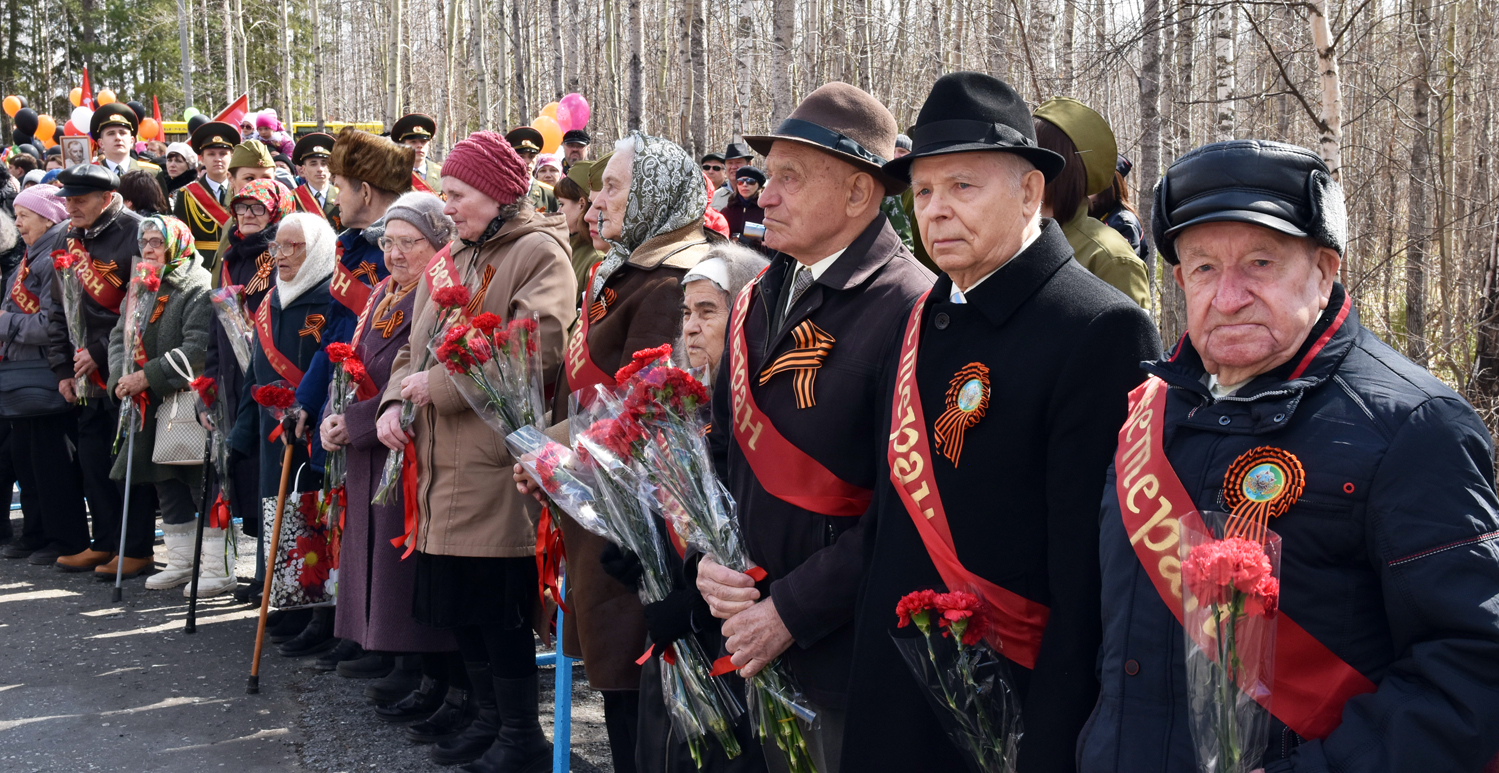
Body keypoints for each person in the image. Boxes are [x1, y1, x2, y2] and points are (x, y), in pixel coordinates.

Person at [1078, 139, 1499, 771]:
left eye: (1261, 263)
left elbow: (1473, 671)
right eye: (1204, 269)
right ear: (1177, 280)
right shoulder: (1151, 412)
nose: (1229, 296)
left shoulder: (1414, 427)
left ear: (1327, 269)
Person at [838, 72, 1161, 773]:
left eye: (962, 186)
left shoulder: (1098, 328)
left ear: (1028, 193)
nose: (935, 211)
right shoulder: (919, 317)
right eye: (922, 191)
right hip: (892, 703)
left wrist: (1050, 740)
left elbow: (1089, 580)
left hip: (1010, 711)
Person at [694, 82, 934, 773]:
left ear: (859, 194)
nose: (764, 195)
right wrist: (703, 561)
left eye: (788, 179)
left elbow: (907, 509)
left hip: (841, 653)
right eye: (768, 178)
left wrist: (789, 612)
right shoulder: (762, 292)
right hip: (744, 628)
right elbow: (717, 450)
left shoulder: (908, 305)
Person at [511, 132, 720, 773]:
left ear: (656, 194)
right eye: (598, 187)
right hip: (601, 496)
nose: (596, 201)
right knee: (621, 682)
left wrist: (547, 447)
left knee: (642, 691)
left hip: (641, 518)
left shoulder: (671, 280)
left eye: (613, 187)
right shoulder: (629, 267)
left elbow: (648, 404)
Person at [374, 130, 575, 771]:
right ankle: (489, 721)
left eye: (458, 193)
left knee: (499, 610)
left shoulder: (539, 252)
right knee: (461, 605)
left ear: (495, 193)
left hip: (492, 459)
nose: (447, 204)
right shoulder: (453, 254)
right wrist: (390, 404)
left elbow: (534, 344)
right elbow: (414, 341)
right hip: (438, 459)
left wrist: (434, 387)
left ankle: (521, 737)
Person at [318, 191, 464, 731]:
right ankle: (400, 656)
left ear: (438, 243)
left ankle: (425, 668)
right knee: (374, 557)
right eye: (388, 242)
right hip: (371, 440)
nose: (395, 253)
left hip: (403, 445)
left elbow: (409, 371)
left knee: (401, 568)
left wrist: (356, 420)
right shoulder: (384, 291)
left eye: (409, 242)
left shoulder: (435, 293)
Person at [296, 127, 408, 678]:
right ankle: (352, 622)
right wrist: (308, 400)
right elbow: (337, 333)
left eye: (339, 184)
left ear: (365, 190)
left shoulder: (405, 243)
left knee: (379, 524)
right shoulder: (348, 246)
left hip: (380, 406)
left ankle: (381, 637)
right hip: (342, 400)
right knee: (345, 517)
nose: (333, 194)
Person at [226, 207, 335, 640]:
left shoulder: (329, 297)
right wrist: (240, 434)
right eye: (277, 246)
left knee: (313, 515)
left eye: (294, 246)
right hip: (274, 430)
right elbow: (255, 373)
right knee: (279, 511)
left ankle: (319, 611)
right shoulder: (271, 297)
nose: (282, 255)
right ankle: (287, 596)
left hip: (311, 428)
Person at [46, 165, 158, 577]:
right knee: (93, 460)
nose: (71, 207)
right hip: (82, 373)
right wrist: (62, 367)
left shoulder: (135, 232)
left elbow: (144, 303)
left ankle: (136, 546)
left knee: (127, 460)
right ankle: (106, 543)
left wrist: (98, 350)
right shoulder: (66, 236)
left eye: (80, 200)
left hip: (125, 365)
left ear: (107, 198)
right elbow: (57, 307)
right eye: (68, 200)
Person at [106, 215, 222, 593]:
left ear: (176, 244)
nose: (150, 249)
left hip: (186, 401)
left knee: (198, 484)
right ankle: (181, 561)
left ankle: (216, 567)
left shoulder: (196, 286)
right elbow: (118, 338)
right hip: (148, 402)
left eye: (158, 241)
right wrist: (120, 377)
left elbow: (198, 348)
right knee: (164, 482)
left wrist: (147, 375)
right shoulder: (141, 284)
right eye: (146, 242)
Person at [205, 177, 291, 607]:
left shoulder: (281, 252)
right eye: (241, 207)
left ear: (274, 210)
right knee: (247, 479)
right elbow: (215, 320)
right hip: (234, 379)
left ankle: (272, 574)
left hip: (269, 378)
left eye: (257, 207)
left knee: (270, 479)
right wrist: (209, 378)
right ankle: (259, 571)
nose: (248, 215)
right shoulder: (230, 255)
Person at [0, 187, 90, 566]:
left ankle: (65, 539)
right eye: (16, 214)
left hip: (47, 374)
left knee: (53, 464)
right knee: (27, 460)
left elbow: (53, 324)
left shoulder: (56, 256)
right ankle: (39, 534)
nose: (16, 222)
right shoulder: (31, 254)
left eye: (25, 214)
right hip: (26, 374)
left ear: (49, 217)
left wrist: (5, 324)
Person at [1033, 97, 1148, 307]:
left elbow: (1130, 337)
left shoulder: (1110, 259)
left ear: (1062, 170)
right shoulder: (1010, 241)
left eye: (1034, 156)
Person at [174, 121, 237, 262]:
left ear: (231, 156)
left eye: (223, 153)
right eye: (211, 154)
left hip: (235, 259)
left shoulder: (241, 191)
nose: (217, 159)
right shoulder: (186, 195)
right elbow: (181, 239)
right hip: (202, 263)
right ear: (201, 158)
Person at [211, 139, 279, 266]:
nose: (258, 185)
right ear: (231, 179)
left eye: (266, 178)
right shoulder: (231, 224)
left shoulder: (286, 227)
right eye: (249, 178)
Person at [1089, 155, 1149, 261]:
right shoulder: (1097, 215)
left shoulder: (1123, 223)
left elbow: (1124, 267)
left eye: (1093, 185)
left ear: (1108, 188)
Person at [555, 161, 600, 292]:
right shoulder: (566, 247)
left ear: (581, 204)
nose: (558, 211)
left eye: (562, 204)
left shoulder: (596, 258)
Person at [89, 103, 161, 177]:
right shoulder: (89, 174)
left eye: (122, 133)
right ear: (101, 143)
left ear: (132, 141)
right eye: (111, 133)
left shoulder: (152, 173)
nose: (118, 137)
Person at [291, 132, 341, 231]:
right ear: (303, 169)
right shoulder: (292, 197)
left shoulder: (342, 194)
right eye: (313, 164)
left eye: (324, 163)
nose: (320, 169)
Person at [505, 127, 559, 214]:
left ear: (537, 159)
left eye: (531, 156)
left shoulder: (549, 194)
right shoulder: (503, 191)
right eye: (521, 156)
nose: (527, 161)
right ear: (511, 158)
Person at [392, 114, 443, 196]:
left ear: (428, 145)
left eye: (423, 142)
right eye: (413, 142)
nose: (419, 145)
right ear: (402, 145)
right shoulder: (393, 172)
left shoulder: (440, 173)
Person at [720, 166, 764, 244]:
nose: (745, 184)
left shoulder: (766, 211)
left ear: (759, 186)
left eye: (750, 181)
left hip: (758, 255)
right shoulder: (727, 211)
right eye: (740, 182)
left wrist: (750, 242)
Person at [710, 141, 755, 211]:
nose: (733, 167)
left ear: (749, 164)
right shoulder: (714, 197)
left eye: (738, 162)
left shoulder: (760, 195)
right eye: (730, 163)